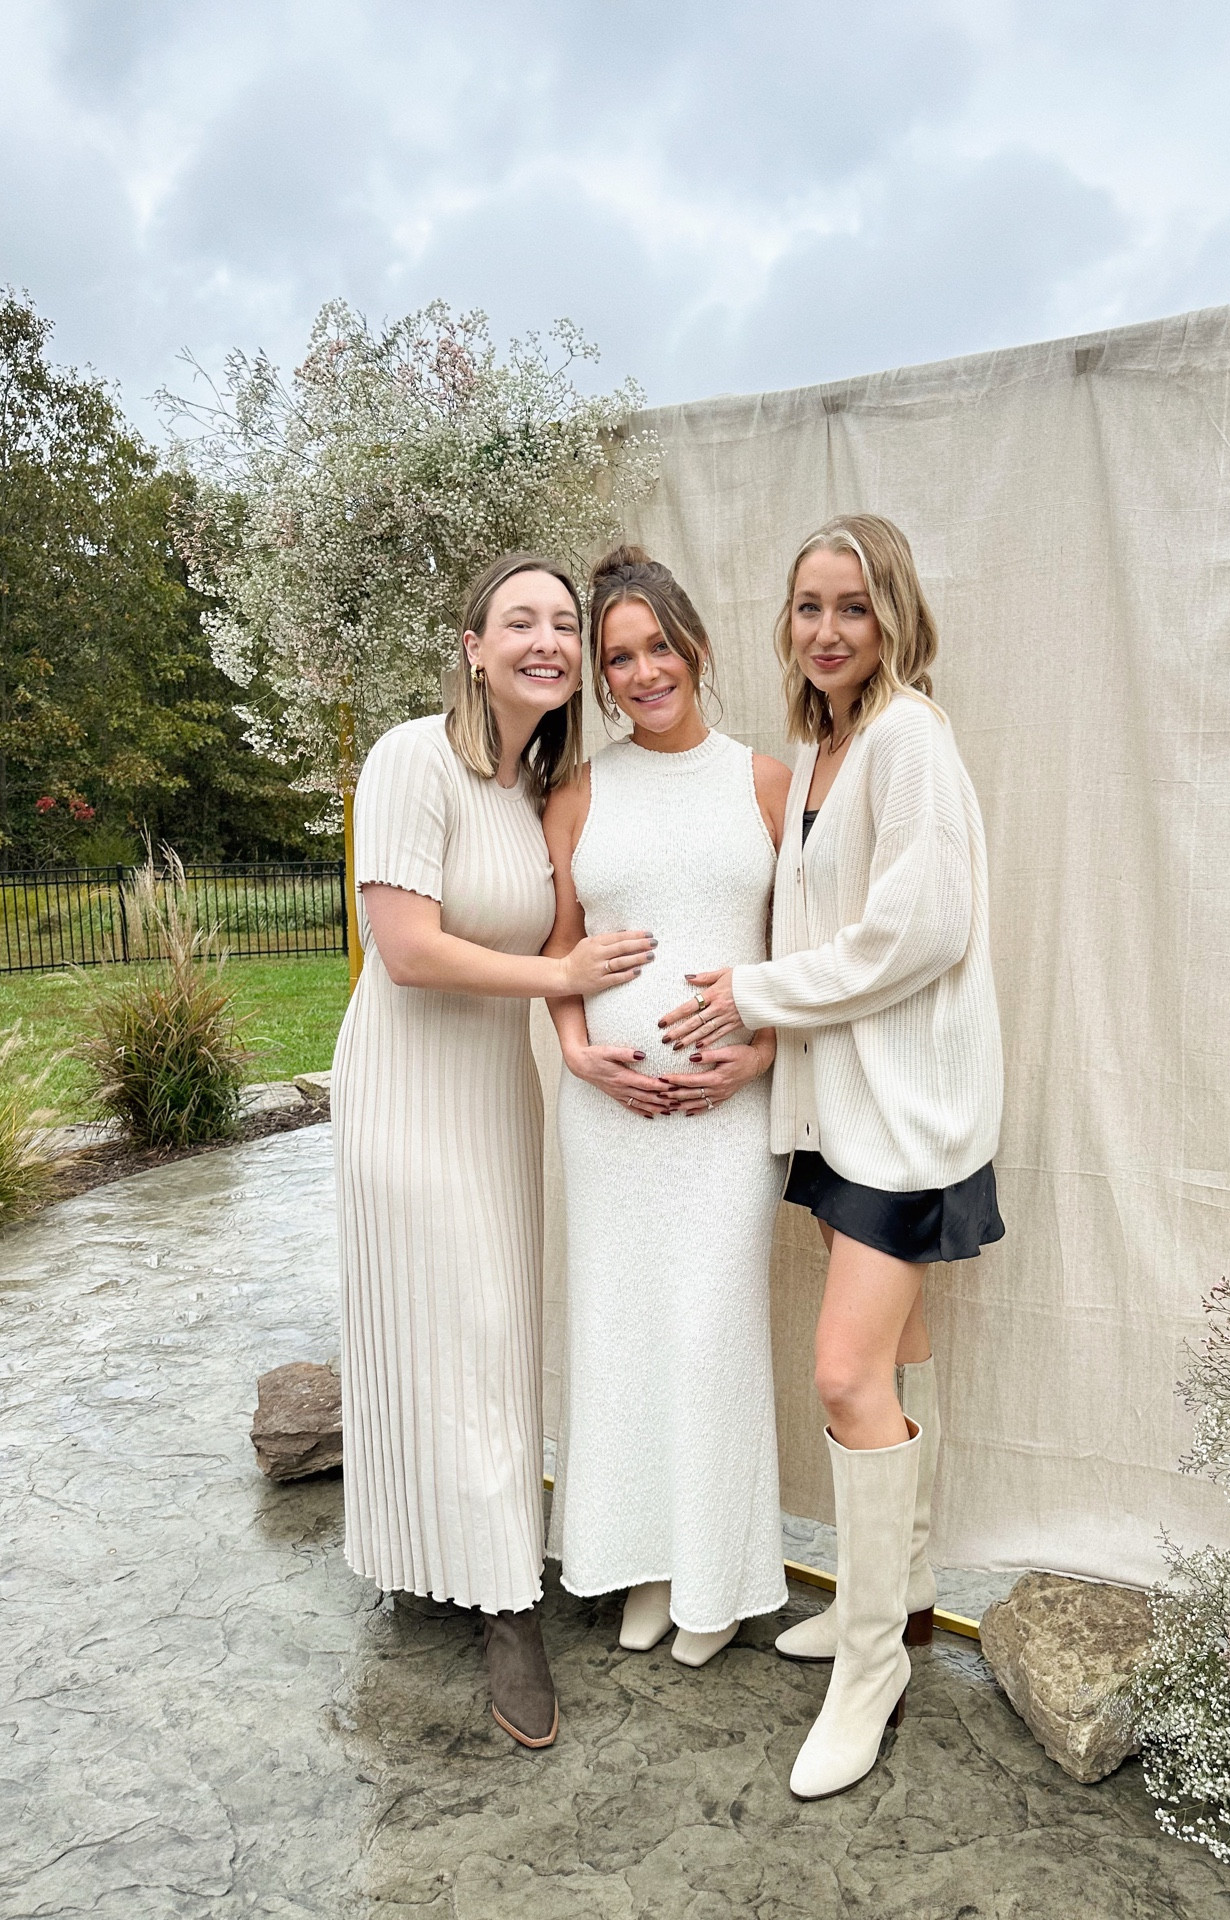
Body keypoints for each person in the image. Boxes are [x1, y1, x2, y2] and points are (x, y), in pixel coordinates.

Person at [659, 513, 1003, 1799]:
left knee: (845, 1375)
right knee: (900, 1358)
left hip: (904, 1119)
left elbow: (918, 931)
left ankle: (870, 1669)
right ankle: (898, 1599)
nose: (827, 629)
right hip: (839, 1111)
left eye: (851, 606)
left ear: (892, 615)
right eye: (808, 607)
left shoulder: (909, 738)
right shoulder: (822, 749)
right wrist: (766, 1038)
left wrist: (750, 993)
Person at [333, 552, 656, 1751]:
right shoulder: (412, 757)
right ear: (471, 644)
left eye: (563, 624)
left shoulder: (541, 791)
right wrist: (559, 977)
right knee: (446, 1318)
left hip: (496, 1091)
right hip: (407, 1087)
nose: (547, 640)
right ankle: (509, 1606)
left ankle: (453, 1549)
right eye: (519, 620)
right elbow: (405, 949)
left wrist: (586, 1022)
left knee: (496, 1325)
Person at [542, 545, 793, 1665]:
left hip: (723, 1124)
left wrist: (762, 1055)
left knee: (708, 1338)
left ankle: (719, 1582)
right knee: (623, 1336)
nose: (643, 673)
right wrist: (575, 1053)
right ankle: (640, 1566)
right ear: (601, 680)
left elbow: (808, 956)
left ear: (694, 646)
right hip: (609, 1124)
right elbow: (557, 953)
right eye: (618, 660)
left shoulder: (768, 784)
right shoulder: (579, 792)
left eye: (657, 648)